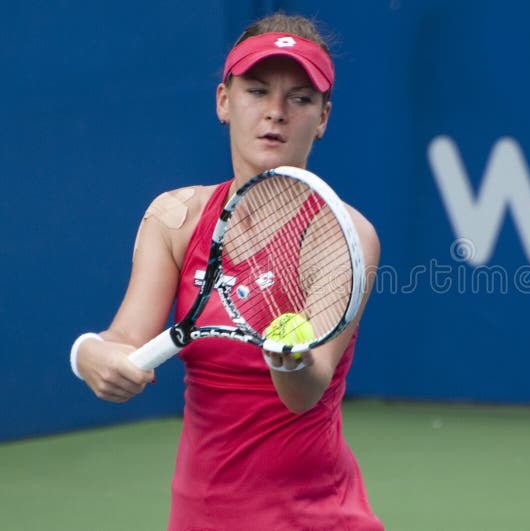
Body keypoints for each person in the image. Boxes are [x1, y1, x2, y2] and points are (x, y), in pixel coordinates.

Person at [69, 12, 383, 530]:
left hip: (313, 519)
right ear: (224, 101)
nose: (276, 113)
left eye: (300, 98)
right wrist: (89, 353)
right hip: (198, 515)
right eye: (257, 91)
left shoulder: (343, 234)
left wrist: (289, 359)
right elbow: (125, 335)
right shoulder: (175, 218)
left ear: (323, 117)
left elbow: (306, 391)